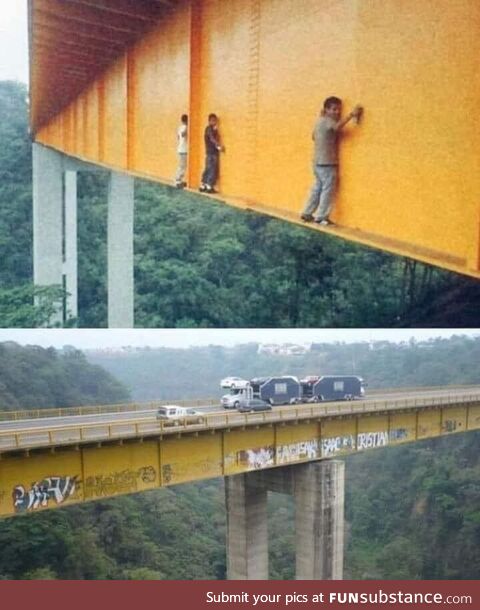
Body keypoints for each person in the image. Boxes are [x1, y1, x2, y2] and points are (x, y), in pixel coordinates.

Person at [301, 97, 363, 225]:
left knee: (317, 188)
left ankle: (307, 212)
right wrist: (352, 115)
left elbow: (313, 136)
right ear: (326, 110)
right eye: (334, 109)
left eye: (338, 110)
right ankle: (321, 217)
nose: (337, 112)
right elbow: (337, 127)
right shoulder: (328, 121)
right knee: (327, 190)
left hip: (317, 161)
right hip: (327, 162)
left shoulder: (319, 121)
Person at [199, 113, 224, 194]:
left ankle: (203, 185)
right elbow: (212, 139)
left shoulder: (211, 129)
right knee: (212, 169)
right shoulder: (209, 129)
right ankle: (209, 186)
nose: (215, 122)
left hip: (209, 152)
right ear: (209, 121)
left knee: (208, 168)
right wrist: (219, 145)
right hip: (212, 152)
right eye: (213, 121)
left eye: (215, 121)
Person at [174, 114, 188, 188]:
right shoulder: (185, 127)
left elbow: (178, 137)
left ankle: (179, 180)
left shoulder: (179, 127)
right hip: (183, 149)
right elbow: (182, 135)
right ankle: (177, 180)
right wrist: (187, 129)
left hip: (180, 148)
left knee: (182, 166)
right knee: (182, 166)